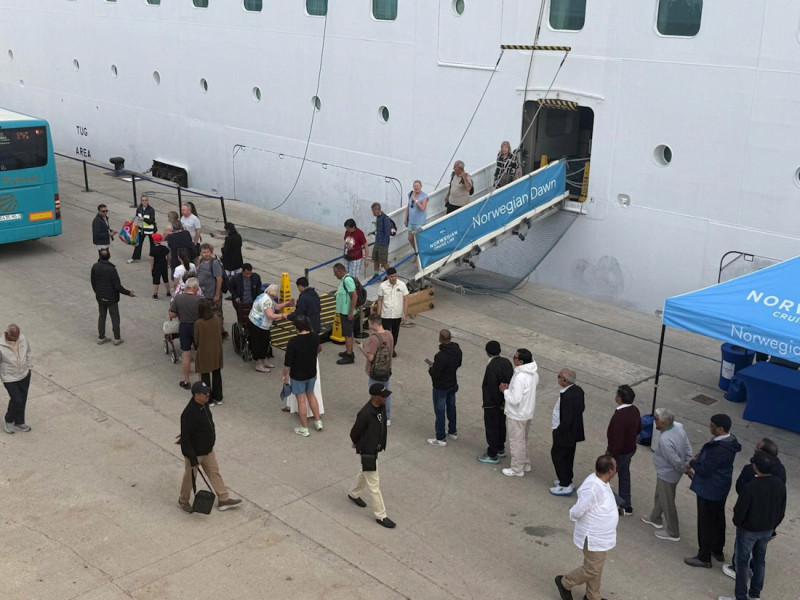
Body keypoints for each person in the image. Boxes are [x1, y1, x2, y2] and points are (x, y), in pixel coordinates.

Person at [719, 452, 786, 600]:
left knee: (742, 564)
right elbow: (781, 510)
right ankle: (755, 594)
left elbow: (740, 511)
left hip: (748, 530)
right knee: (760, 560)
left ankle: (740, 597)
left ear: (755, 468)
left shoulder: (751, 487)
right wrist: (773, 526)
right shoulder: (779, 484)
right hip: (767, 530)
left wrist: (739, 524)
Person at [555, 455, 619, 600]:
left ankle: (592, 596)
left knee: (596, 567)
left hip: (601, 536)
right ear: (609, 472)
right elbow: (578, 510)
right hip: (593, 537)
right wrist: (573, 515)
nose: (616, 469)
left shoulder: (602, 480)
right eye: (615, 467)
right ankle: (565, 582)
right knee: (592, 569)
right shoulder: (592, 488)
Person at [684, 413, 742, 569]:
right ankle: (717, 549)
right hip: (720, 486)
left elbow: (705, 470)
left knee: (705, 522)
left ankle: (704, 556)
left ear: (721, 429)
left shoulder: (719, 449)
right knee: (717, 518)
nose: (710, 428)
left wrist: (693, 462)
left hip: (709, 488)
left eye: (712, 426)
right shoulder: (729, 442)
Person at [177, 381, 242, 513]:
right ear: (196, 395)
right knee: (190, 477)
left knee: (214, 473)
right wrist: (192, 457)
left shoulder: (204, 405)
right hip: (195, 454)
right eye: (204, 393)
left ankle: (223, 499)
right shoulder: (188, 413)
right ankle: (183, 500)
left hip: (208, 451)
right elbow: (185, 439)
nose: (208, 395)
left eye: (207, 392)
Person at [641, 407, 693, 542]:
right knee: (661, 494)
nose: (654, 422)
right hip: (670, 472)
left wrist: (685, 468)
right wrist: (688, 461)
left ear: (663, 423)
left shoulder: (665, 440)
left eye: (656, 420)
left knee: (667, 500)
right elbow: (687, 447)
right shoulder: (678, 427)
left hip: (668, 473)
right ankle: (655, 517)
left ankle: (673, 531)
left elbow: (675, 461)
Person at [348, 383, 395, 529]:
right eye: (383, 396)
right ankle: (381, 515)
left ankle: (354, 493)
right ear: (376, 397)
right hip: (368, 451)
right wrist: (356, 442)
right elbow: (354, 432)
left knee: (365, 472)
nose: (386, 398)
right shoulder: (365, 413)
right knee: (374, 485)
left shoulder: (380, 407)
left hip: (374, 448)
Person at [499, 348, 538, 477]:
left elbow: (514, 399)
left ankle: (517, 468)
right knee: (523, 440)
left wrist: (505, 391)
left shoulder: (520, 377)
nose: (513, 358)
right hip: (527, 411)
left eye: (514, 357)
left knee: (516, 441)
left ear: (520, 361)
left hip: (517, 414)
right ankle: (525, 463)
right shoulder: (534, 373)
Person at [282, 315, 322, 436]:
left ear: (296, 327)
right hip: (311, 372)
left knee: (301, 400)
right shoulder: (315, 337)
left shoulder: (293, 342)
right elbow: (319, 349)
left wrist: (284, 375)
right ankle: (318, 421)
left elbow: (287, 363)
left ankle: (304, 428)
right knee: (311, 395)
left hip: (298, 375)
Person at [605, 384, 641, 515]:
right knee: (624, 475)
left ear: (619, 399)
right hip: (630, 449)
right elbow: (639, 429)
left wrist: (612, 456)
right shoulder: (635, 410)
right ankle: (626, 505)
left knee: (604, 476)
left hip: (618, 452)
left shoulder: (619, 416)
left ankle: (601, 501)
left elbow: (616, 439)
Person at [550, 368, 586, 495]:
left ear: (565, 380)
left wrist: (558, 431)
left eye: (559, 376)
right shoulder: (578, 390)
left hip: (564, 432)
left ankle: (564, 484)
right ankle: (566, 479)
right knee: (568, 456)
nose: (557, 377)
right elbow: (581, 408)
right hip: (573, 432)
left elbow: (567, 418)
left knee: (558, 455)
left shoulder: (568, 396)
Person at [477, 341, 513, 464]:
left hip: (493, 403)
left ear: (487, 352)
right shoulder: (507, 362)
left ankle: (492, 454)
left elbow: (492, 387)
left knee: (492, 427)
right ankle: (500, 448)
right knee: (501, 425)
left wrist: (497, 403)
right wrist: (504, 401)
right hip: (504, 401)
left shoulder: (491, 366)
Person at [90, 249, 135, 345]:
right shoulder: (111, 269)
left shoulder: (95, 266)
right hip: (111, 297)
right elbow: (117, 286)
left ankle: (101, 337)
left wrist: (97, 292)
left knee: (102, 316)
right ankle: (117, 338)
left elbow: (93, 282)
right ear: (109, 256)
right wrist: (128, 293)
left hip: (100, 296)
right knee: (114, 316)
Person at [426, 329, 462, 447]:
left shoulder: (440, 356)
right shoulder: (457, 350)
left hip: (441, 386)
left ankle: (440, 437)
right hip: (452, 383)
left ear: (440, 339)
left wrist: (431, 368)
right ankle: (453, 431)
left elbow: (436, 373)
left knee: (440, 411)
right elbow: (459, 364)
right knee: (452, 407)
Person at [357, 314, 394, 425]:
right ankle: (387, 417)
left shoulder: (374, 338)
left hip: (374, 371)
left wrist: (362, 349)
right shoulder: (389, 335)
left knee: (374, 395)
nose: (369, 326)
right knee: (385, 393)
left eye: (370, 324)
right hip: (386, 370)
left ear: (375, 324)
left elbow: (370, 357)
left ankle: (376, 416)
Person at [249, 284, 291, 373]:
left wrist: (287, 304)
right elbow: (270, 315)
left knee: (265, 343)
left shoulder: (264, 295)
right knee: (262, 345)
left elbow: (277, 306)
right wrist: (283, 315)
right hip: (260, 326)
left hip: (255, 323)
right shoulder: (267, 301)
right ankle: (259, 364)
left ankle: (263, 361)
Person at [169, 277, 202, 389]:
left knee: (186, 354)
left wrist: (180, 314)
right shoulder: (200, 299)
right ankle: (201, 380)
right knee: (198, 353)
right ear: (195, 287)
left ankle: (187, 380)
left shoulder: (178, 298)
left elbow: (171, 315)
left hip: (184, 326)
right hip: (197, 327)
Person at [1, 324, 33, 434]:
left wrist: (28, 366)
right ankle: (8, 419)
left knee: (22, 399)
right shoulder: (1, 345)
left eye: (17, 335)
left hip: (24, 374)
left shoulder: (22, 338)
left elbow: (28, 352)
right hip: (9, 378)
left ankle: (19, 422)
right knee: (17, 399)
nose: (16, 338)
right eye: (14, 336)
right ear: (8, 333)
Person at [194, 300, 223, 406]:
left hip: (204, 351)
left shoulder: (198, 323)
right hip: (216, 350)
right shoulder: (216, 318)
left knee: (205, 376)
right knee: (217, 374)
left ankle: (208, 399)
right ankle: (219, 397)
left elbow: (196, 340)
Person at [375, 267, 408, 355]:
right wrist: (378, 314)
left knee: (395, 333)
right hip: (386, 314)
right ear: (388, 277)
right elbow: (380, 300)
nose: (394, 278)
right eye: (392, 277)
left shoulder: (402, 285)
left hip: (397, 315)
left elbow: (405, 300)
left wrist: (404, 314)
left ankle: (392, 348)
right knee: (385, 333)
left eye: (395, 276)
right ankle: (385, 348)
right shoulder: (383, 286)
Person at [197, 243, 225, 337]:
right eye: (204, 252)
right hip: (203, 294)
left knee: (216, 315)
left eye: (208, 252)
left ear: (211, 252)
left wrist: (217, 294)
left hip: (212, 294)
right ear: (201, 253)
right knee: (205, 314)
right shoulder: (201, 261)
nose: (206, 254)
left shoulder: (214, 263)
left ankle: (219, 333)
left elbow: (219, 279)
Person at [333, 263, 358, 365]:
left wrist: (351, 311)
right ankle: (349, 351)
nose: (335, 275)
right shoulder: (344, 279)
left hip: (347, 312)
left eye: (335, 273)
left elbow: (354, 295)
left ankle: (349, 356)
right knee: (349, 332)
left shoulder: (347, 280)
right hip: (344, 312)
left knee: (347, 334)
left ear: (340, 271)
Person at [128, 194, 157, 263]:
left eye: (145, 200)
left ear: (147, 201)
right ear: (141, 201)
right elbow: (137, 217)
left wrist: (144, 219)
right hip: (142, 230)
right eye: (143, 200)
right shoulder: (139, 209)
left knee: (152, 244)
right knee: (138, 244)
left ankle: (154, 257)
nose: (144, 202)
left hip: (150, 230)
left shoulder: (151, 210)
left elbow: (152, 220)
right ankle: (135, 257)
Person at [404, 180, 428, 251]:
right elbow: (408, 206)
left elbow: (423, 208)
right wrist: (406, 218)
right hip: (411, 221)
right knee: (410, 238)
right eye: (415, 186)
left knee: (419, 240)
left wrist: (416, 200)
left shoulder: (424, 196)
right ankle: (416, 252)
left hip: (419, 222)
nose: (416, 187)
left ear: (421, 187)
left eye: (417, 186)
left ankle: (420, 254)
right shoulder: (410, 194)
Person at [370, 203, 392, 279]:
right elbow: (379, 230)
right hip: (377, 242)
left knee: (384, 262)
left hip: (382, 244)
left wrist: (384, 244)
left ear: (377, 210)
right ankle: (376, 274)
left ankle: (391, 276)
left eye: (373, 211)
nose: (372, 213)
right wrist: (373, 232)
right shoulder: (378, 218)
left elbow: (387, 232)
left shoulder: (385, 218)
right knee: (375, 259)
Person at [149, 233, 171, 299]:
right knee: (166, 279)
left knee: (156, 281)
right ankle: (168, 292)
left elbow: (152, 260)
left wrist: (152, 268)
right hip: (164, 265)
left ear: (154, 241)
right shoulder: (164, 248)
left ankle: (155, 294)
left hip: (156, 266)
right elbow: (169, 255)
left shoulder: (153, 250)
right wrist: (167, 262)